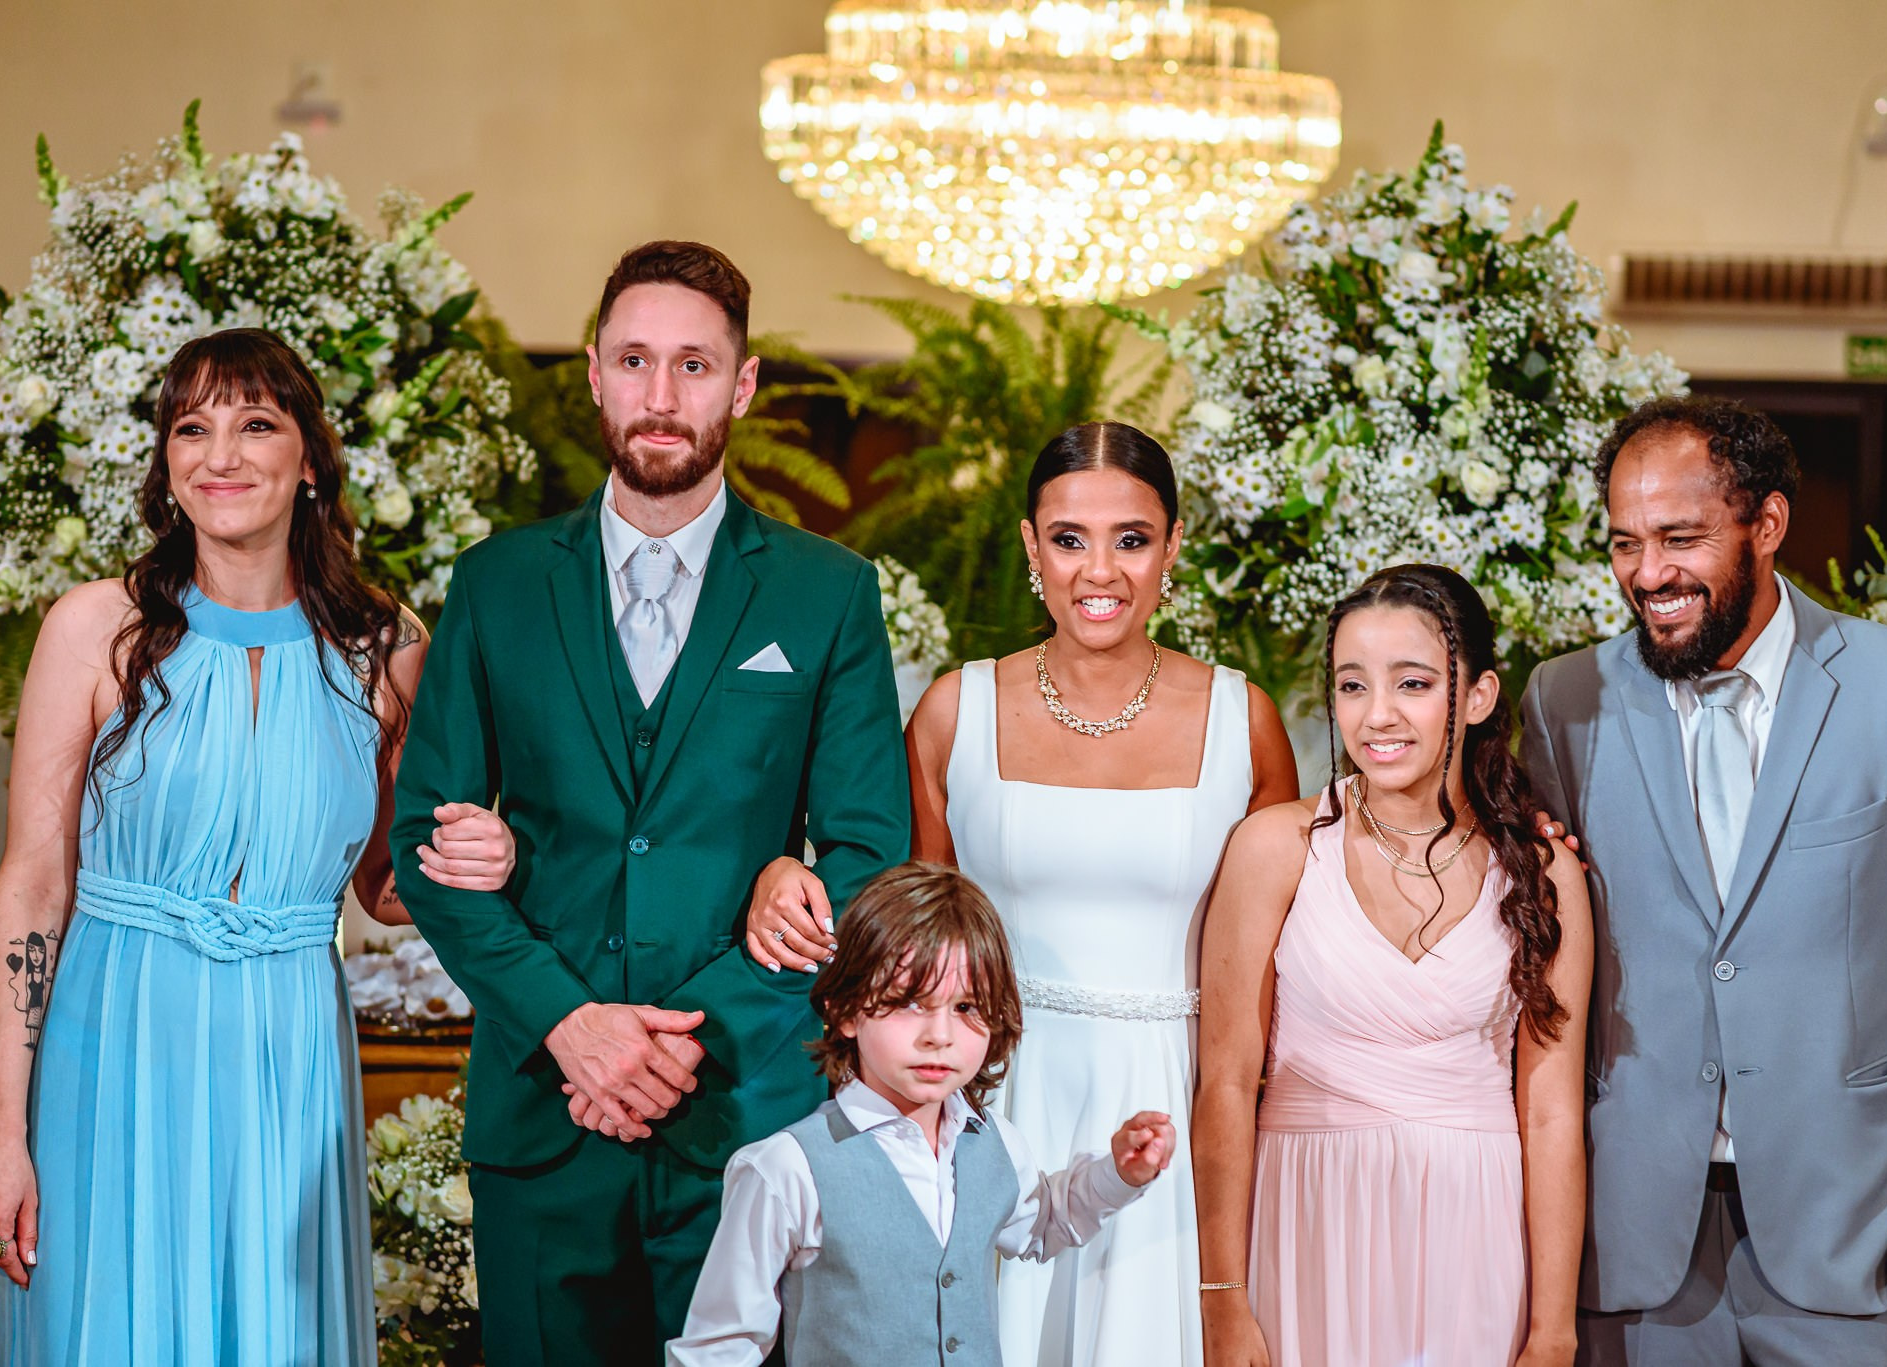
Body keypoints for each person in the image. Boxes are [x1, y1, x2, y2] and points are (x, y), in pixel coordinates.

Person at [389, 240, 911, 1364]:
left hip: (742, 1114)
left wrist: (680, 1040)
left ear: (744, 384)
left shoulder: (827, 594)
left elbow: (868, 848)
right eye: (634, 360)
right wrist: (574, 1027)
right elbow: (422, 839)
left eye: (692, 364)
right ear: (591, 372)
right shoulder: (496, 584)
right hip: (542, 1110)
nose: (660, 396)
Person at [0, 328, 515, 1365]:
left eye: (255, 424)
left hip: (287, 1044)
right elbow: (33, 885)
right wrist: (5, 1130)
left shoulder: (385, 648)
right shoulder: (94, 628)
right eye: (192, 427)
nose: (219, 453)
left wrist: (489, 853)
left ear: (310, 462)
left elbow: (386, 879)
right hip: (113, 1042)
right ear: (165, 461)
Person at [745, 420, 1295, 1366]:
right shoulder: (957, 712)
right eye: (1070, 538)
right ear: (1033, 547)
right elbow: (902, 937)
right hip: (990, 1098)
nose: (1101, 570)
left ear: (1172, 546)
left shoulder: (1243, 721)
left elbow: (1296, 946)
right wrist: (778, 869)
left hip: (1175, 1099)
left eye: (1131, 537)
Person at [1520, 394, 1887, 1365]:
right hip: (1631, 1247)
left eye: (1679, 537)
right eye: (1624, 542)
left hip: (1854, 1242)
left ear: (1765, 524)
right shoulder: (1564, 700)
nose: (1647, 573)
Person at [1194, 564, 1592, 1367]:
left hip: (1475, 1234)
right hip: (1308, 1222)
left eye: (1411, 683)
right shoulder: (1276, 847)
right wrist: (1223, 1300)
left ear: (1477, 696)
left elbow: (1552, 1114)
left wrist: (1553, 1328)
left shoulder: (1545, 873)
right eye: (1351, 685)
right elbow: (1226, 1084)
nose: (1376, 715)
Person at [671, 861, 1175, 1366]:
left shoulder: (993, 1140)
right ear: (845, 1010)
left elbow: (1043, 1223)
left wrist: (1118, 1174)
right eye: (910, 1003)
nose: (940, 1034)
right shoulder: (786, 1169)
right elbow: (719, 1349)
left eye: (966, 1008)